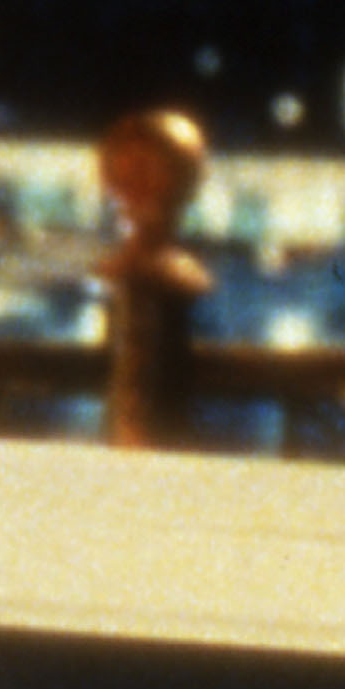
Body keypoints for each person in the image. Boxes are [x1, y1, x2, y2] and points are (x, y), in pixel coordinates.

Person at [95, 105, 213, 448]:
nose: (134, 187)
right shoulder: (125, 270)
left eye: (147, 171)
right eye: (125, 172)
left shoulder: (171, 276)